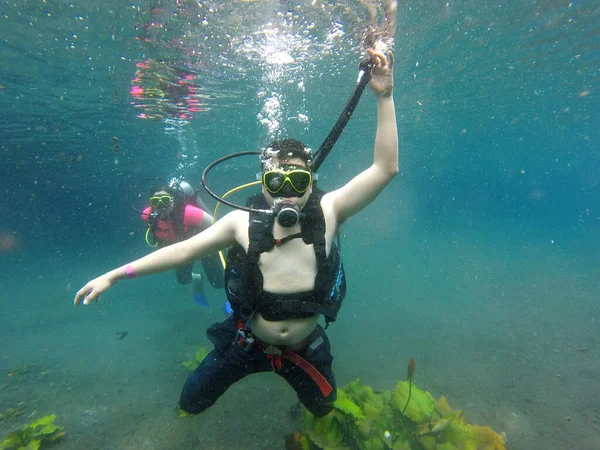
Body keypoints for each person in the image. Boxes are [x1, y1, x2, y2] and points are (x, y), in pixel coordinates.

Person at [75, 47, 397, 418]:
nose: (288, 191)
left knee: (323, 408)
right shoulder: (240, 223)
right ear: (263, 184)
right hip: (246, 343)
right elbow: (182, 252)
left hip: (304, 347)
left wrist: (385, 97)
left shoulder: (331, 209)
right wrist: (114, 275)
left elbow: (385, 169)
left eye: (298, 180)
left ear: (312, 181)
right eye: (276, 182)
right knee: (190, 403)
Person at [142, 180, 224, 304]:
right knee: (183, 280)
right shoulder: (147, 215)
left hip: (204, 248)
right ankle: (198, 278)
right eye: (155, 202)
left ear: (173, 200)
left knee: (218, 283)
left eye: (165, 200)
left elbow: (219, 228)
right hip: (182, 251)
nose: (161, 206)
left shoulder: (189, 213)